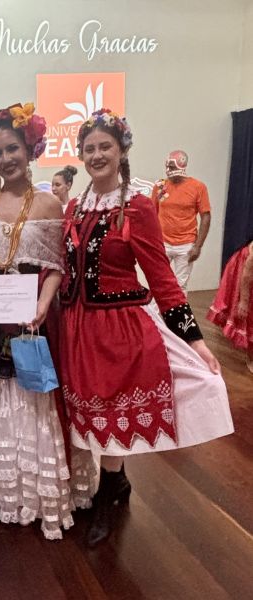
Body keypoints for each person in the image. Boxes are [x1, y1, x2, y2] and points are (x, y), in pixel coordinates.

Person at [58, 108, 234, 547]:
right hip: (78, 327)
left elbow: (162, 279)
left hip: (118, 328)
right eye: (89, 148)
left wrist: (196, 341)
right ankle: (115, 484)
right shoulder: (75, 207)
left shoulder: (137, 207)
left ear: (122, 151)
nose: (96, 155)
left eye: (105, 146)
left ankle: (108, 492)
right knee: (90, 412)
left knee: (112, 409)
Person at [0, 103, 93, 540]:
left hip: (34, 319)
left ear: (29, 149)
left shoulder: (50, 204)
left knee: (34, 392)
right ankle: (0, 491)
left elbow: (56, 267)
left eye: (12, 149)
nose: (6, 159)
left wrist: (43, 303)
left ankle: (38, 493)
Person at [151, 150, 211, 292]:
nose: (168, 170)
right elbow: (152, 213)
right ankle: (154, 308)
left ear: (182, 165)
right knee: (158, 281)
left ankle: (177, 308)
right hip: (163, 242)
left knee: (180, 285)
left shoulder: (198, 187)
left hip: (186, 244)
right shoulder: (160, 185)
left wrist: (198, 246)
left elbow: (206, 216)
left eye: (171, 167)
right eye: (167, 166)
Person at [208, 239, 253, 373]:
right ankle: (251, 358)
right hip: (243, 271)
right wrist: (243, 301)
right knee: (249, 315)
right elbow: (246, 276)